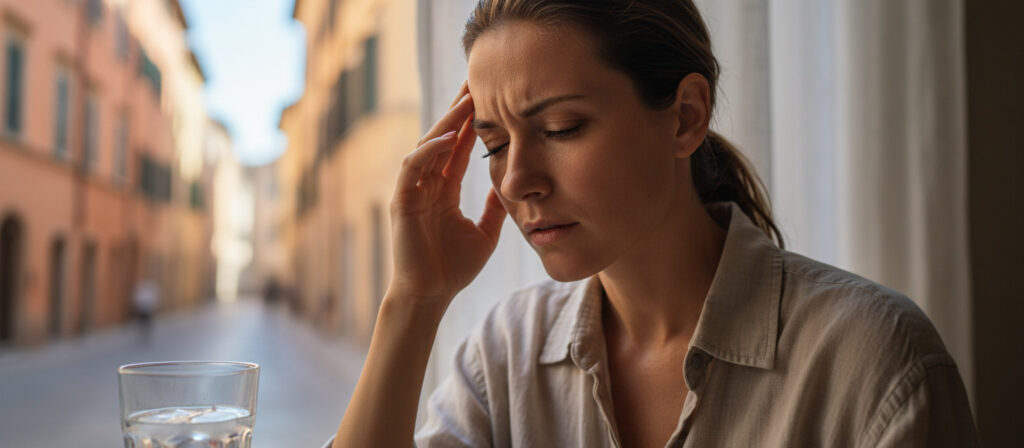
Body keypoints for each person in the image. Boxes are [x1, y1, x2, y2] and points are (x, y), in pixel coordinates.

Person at [328, 1, 979, 447]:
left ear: (686, 116)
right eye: (494, 145)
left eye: (561, 128)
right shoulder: (505, 358)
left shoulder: (875, 361)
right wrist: (413, 302)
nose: (516, 179)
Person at [132, 276, 159, 343]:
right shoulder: (142, 291)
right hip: (143, 309)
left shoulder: (148, 291)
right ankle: (143, 332)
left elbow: (153, 299)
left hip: (147, 309)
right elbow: (137, 298)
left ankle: (146, 332)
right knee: (142, 321)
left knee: (147, 321)